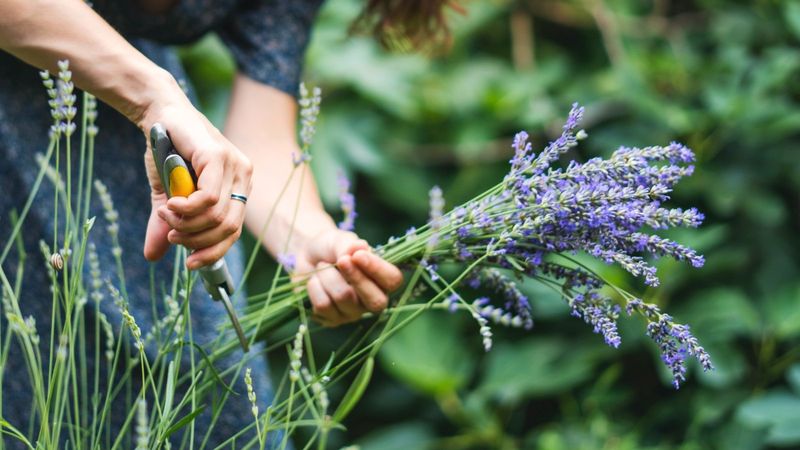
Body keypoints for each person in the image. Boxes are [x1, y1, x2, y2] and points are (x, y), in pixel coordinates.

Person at [0, 0, 453, 446]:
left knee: (205, 390)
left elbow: (261, 135)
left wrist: (309, 239)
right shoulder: (154, 94)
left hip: (125, 134)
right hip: (120, 98)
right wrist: (153, 96)